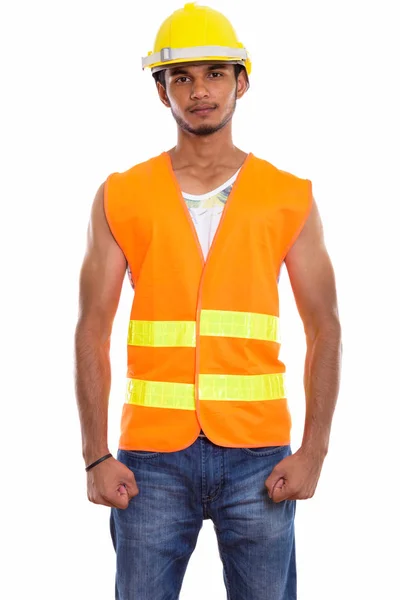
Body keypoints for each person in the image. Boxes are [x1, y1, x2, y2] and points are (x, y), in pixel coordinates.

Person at [74, 3, 342, 599]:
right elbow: (91, 328)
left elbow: (325, 327)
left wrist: (315, 451)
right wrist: (95, 455)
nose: (200, 91)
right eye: (182, 77)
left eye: (215, 74)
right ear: (161, 90)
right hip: (149, 461)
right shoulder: (122, 195)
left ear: (242, 82)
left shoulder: (286, 196)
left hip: (259, 458)